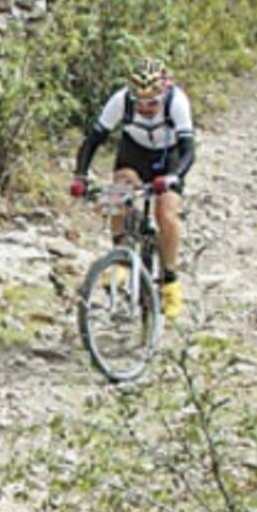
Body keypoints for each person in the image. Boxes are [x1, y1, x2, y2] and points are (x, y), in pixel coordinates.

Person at [70, 57, 196, 319]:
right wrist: (80, 176)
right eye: (140, 102)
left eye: (152, 102)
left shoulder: (177, 101)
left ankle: (171, 281)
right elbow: (92, 141)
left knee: (166, 212)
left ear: (163, 93)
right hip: (134, 155)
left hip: (167, 158)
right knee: (117, 192)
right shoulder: (120, 101)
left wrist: (173, 178)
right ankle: (120, 257)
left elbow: (188, 151)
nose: (146, 108)